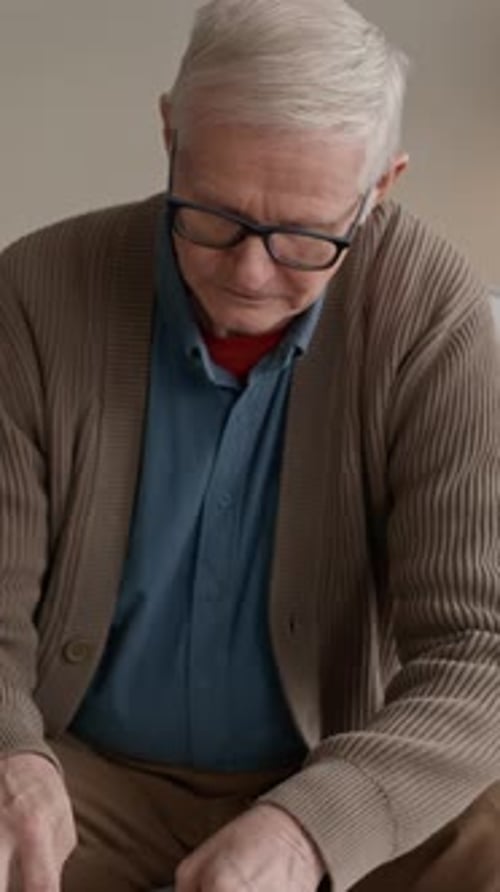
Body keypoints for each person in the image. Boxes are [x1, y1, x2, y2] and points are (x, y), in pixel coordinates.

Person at [0, 0, 499, 890]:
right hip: (83, 780)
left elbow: (480, 648)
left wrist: (310, 831)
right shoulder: (33, 295)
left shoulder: (434, 317)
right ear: (170, 136)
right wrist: (11, 756)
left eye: (305, 236)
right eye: (215, 216)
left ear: (380, 189)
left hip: (336, 771)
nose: (250, 272)